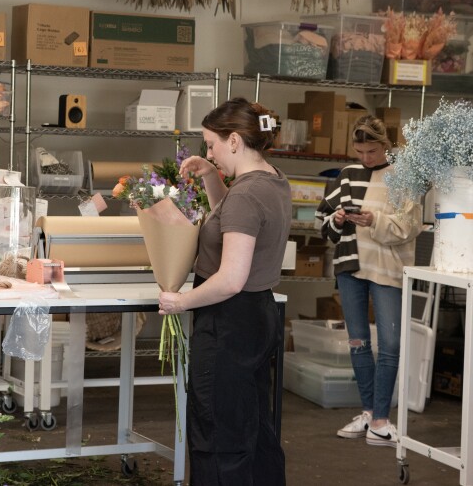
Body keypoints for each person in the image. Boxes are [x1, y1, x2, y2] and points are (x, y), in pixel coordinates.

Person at [159, 97, 290, 485]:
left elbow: (231, 278)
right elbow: (229, 222)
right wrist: (211, 176)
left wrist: (180, 301)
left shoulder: (246, 197)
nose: (209, 151)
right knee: (252, 426)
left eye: (211, 145)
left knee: (218, 434)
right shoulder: (272, 181)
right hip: (258, 315)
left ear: (234, 140)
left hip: (228, 321)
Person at [315, 115, 422, 447]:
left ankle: (380, 419)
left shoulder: (404, 177)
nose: (365, 158)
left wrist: (373, 220)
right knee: (358, 343)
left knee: (390, 346)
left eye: (371, 151)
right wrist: (337, 218)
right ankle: (368, 413)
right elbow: (323, 226)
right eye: (360, 151)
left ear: (385, 145)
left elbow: (411, 226)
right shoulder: (346, 176)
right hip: (350, 266)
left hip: (387, 268)